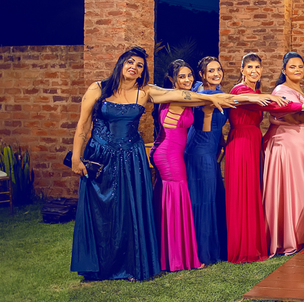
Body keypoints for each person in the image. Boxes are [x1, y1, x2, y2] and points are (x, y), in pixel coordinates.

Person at [69, 47, 238, 282]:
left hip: (131, 157)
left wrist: (210, 98)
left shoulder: (145, 91)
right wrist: (76, 157)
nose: (134, 67)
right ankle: (99, 267)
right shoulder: (98, 89)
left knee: (129, 210)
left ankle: (129, 266)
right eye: (130, 62)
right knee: (100, 209)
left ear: (142, 72)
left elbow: (179, 95)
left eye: (139, 65)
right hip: (100, 156)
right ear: (120, 63)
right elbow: (83, 124)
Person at [226, 53, 301, 263]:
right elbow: (271, 105)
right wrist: (302, 106)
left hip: (253, 141)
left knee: (252, 191)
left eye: (257, 67)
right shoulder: (240, 90)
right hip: (241, 142)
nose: (254, 71)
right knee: (242, 192)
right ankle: (242, 247)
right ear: (242, 70)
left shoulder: (256, 92)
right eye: (249, 67)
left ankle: (254, 242)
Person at [262, 53, 304, 257]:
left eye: (300, 66)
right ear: (284, 70)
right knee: (294, 188)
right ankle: (291, 237)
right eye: (292, 67)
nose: (297, 70)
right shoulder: (281, 91)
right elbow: (297, 118)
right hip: (289, 144)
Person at [150, 60, 204, 272]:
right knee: (176, 200)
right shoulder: (177, 96)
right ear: (172, 80)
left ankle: (171, 255)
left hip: (168, 152)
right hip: (169, 154)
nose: (188, 79)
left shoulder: (177, 96)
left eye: (190, 75)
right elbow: (205, 99)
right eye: (182, 76)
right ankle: (176, 258)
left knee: (173, 200)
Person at [184, 56, 229, 265]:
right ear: (202, 75)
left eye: (218, 69)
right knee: (202, 198)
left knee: (212, 195)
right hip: (199, 150)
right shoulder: (203, 94)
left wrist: (222, 142)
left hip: (211, 150)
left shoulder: (218, 92)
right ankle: (201, 251)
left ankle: (214, 247)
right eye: (211, 71)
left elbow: (218, 126)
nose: (216, 74)